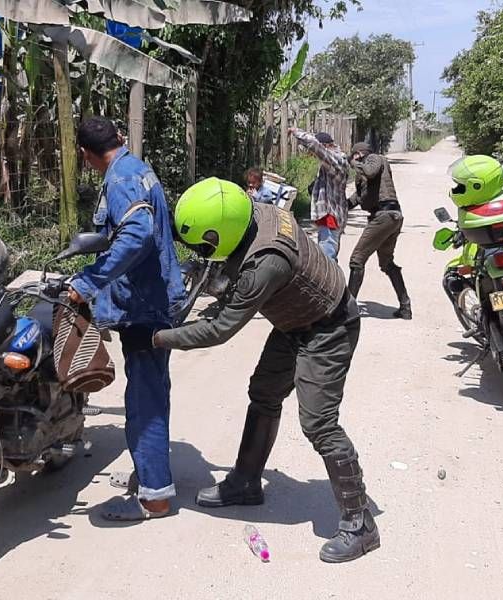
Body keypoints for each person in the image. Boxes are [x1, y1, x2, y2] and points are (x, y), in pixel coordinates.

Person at [155, 178, 379, 563]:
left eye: (203, 244)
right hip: (298, 319)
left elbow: (219, 328)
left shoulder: (265, 264)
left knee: (319, 423)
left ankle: (361, 524)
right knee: (264, 393)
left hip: (330, 326)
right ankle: (245, 482)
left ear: (220, 232)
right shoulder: (258, 212)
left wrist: (159, 338)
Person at [67, 117, 186, 520]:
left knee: (144, 400)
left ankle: (154, 498)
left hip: (144, 309)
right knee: (150, 391)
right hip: (156, 300)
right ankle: (149, 475)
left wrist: (89, 281)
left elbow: (136, 235)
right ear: (119, 138)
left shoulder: (120, 181)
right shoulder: (136, 168)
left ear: (85, 155)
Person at [347, 142, 411, 319]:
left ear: (359, 154)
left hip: (384, 216)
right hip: (390, 217)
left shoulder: (375, 159)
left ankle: (346, 311)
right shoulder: (367, 173)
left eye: (355, 156)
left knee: (357, 260)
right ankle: (405, 306)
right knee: (386, 263)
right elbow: (357, 199)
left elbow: (370, 171)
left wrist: (355, 163)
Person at [290, 128, 350, 260]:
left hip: (330, 216)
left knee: (327, 257)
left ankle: (332, 281)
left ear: (325, 146)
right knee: (327, 254)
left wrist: (296, 132)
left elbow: (315, 146)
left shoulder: (337, 160)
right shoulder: (331, 163)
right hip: (328, 216)